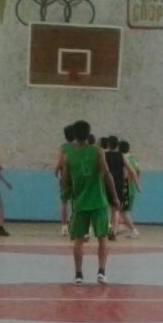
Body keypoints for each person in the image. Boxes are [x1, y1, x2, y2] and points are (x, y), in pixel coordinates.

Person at [59, 119, 118, 284]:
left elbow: (64, 181)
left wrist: (67, 193)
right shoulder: (98, 151)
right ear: (88, 133)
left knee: (78, 239)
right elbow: (107, 174)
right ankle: (101, 272)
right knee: (102, 237)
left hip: (80, 203)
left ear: (74, 135)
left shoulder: (68, 155)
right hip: (99, 201)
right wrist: (114, 196)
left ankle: (78, 274)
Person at [116, 140, 142, 238]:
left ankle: (134, 230)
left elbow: (125, 174)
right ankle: (118, 228)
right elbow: (138, 170)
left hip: (125, 189)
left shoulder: (122, 159)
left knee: (121, 212)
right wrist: (136, 182)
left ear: (119, 149)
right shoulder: (132, 158)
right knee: (120, 211)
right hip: (132, 189)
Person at [56, 124, 74, 237]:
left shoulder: (63, 147)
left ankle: (64, 227)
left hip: (65, 176)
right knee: (76, 203)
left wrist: (56, 170)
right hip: (76, 177)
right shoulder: (78, 147)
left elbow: (60, 162)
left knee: (64, 202)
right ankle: (75, 225)